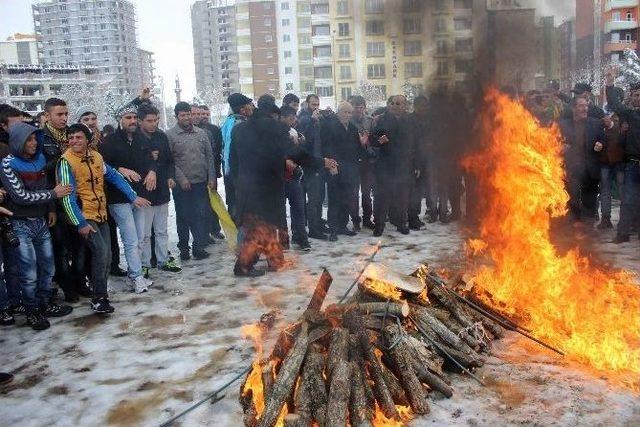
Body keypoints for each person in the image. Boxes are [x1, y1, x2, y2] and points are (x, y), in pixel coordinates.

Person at [58, 124, 150, 313]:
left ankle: (100, 294)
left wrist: (133, 196)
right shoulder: (66, 162)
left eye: (78, 137)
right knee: (99, 252)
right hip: (84, 216)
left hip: (101, 213)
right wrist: (79, 222)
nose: (74, 141)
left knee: (106, 255)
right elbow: (67, 197)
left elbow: (114, 176)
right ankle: (99, 297)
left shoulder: (96, 157)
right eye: (71, 137)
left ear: (87, 139)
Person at [0, 122, 74, 330]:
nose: (33, 143)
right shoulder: (7, 164)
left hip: (41, 221)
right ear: (17, 142)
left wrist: (51, 208)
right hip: (19, 223)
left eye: (35, 138)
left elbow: (48, 185)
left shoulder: (40, 159)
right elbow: (20, 196)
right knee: (28, 271)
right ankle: (32, 311)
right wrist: (53, 195)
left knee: (48, 267)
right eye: (28, 139)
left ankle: (45, 303)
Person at [99, 104, 155, 293]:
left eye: (134, 117)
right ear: (119, 120)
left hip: (140, 196)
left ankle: (134, 275)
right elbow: (104, 166)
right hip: (119, 198)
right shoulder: (109, 141)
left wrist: (152, 171)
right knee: (130, 239)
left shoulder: (142, 139)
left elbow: (150, 160)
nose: (132, 121)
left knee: (140, 238)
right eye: (128, 118)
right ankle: (137, 277)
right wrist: (120, 169)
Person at [231, 98, 289, 277]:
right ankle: (242, 266)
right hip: (258, 189)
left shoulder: (242, 131)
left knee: (268, 226)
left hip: (255, 186)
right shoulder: (249, 132)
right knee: (258, 229)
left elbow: (233, 162)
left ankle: (275, 259)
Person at [37, 97, 87, 302]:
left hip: (76, 199)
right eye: (59, 114)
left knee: (80, 244)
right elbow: (40, 174)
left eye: (66, 114)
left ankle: (80, 281)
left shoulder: (71, 135)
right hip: (54, 203)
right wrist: (49, 206)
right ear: (47, 116)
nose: (64, 118)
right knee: (60, 246)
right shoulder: (41, 139)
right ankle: (67, 286)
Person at [166, 102, 216, 261]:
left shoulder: (201, 133)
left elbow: (209, 156)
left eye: (188, 114)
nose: (187, 118)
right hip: (182, 185)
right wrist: (181, 179)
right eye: (183, 115)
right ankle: (184, 249)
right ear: (177, 117)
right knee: (183, 217)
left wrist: (212, 177)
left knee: (200, 215)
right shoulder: (170, 135)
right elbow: (170, 161)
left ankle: (198, 247)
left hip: (201, 182)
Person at [136, 103, 182, 274]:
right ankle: (145, 264)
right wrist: (150, 158)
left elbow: (169, 160)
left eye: (156, 120)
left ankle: (163, 260)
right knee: (145, 233)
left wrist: (170, 176)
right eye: (149, 121)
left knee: (162, 230)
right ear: (140, 121)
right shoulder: (135, 139)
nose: (153, 124)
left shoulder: (161, 137)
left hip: (162, 190)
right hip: (143, 192)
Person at [371, 95, 417, 236]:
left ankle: (401, 223)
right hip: (386, 166)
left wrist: (417, 164)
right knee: (382, 197)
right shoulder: (381, 120)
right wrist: (379, 141)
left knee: (402, 197)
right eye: (393, 103)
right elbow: (372, 140)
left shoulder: (410, 121)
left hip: (404, 165)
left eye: (398, 103)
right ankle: (379, 225)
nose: (395, 105)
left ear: (405, 106)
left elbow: (416, 145)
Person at [320, 102, 365, 241]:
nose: (347, 115)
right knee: (334, 199)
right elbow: (325, 147)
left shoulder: (352, 127)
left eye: (349, 113)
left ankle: (342, 226)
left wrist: (365, 150)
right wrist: (331, 165)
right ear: (338, 112)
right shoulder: (329, 126)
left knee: (347, 199)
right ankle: (333, 229)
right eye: (344, 112)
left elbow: (357, 147)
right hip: (336, 168)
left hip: (351, 169)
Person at [559, 97, 606, 224]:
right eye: (581, 106)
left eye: (586, 105)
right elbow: (554, 140)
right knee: (572, 197)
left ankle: (588, 225)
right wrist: (561, 147)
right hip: (571, 167)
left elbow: (603, 139)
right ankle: (575, 224)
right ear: (573, 108)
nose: (584, 108)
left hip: (590, 168)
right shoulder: (563, 124)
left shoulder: (596, 123)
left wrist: (601, 144)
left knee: (590, 199)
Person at [605, 71, 640, 243]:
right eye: (634, 96)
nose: (637, 98)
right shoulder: (630, 115)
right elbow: (614, 104)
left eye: (639, 95)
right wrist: (610, 84)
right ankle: (623, 234)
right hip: (633, 165)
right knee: (627, 200)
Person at [280, 106, 311, 251]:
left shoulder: (294, 131)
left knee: (299, 208)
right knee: (280, 211)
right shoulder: (275, 132)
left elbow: (298, 154)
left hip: (293, 176)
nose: (294, 121)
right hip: (279, 177)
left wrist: (300, 143)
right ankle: (284, 240)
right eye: (291, 118)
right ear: (283, 117)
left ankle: (301, 238)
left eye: (294, 118)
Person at [221, 93, 254, 217]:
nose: (251, 107)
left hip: (230, 170)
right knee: (240, 208)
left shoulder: (228, 121)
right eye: (249, 105)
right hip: (240, 173)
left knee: (234, 203)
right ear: (242, 109)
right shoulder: (241, 125)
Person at [196, 104, 225, 241]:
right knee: (202, 205)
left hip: (212, 171)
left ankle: (215, 229)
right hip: (199, 173)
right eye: (201, 114)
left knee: (213, 202)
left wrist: (216, 171)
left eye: (206, 114)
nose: (204, 116)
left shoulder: (215, 129)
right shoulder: (195, 130)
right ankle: (204, 232)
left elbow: (218, 150)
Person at [349, 95, 376, 230]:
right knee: (353, 194)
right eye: (355, 107)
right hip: (353, 162)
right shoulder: (347, 121)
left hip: (367, 162)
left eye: (361, 107)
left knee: (366, 193)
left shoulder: (370, 121)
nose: (358, 110)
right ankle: (355, 220)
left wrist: (368, 147)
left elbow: (375, 139)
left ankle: (367, 219)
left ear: (364, 108)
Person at [597, 113, 625, 230]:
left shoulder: (619, 128)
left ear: (610, 118)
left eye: (606, 118)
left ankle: (625, 220)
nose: (604, 121)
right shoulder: (600, 129)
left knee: (622, 191)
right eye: (603, 119)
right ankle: (605, 219)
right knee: (605, 192)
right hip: (605, 164)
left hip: (618, 164)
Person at [408, 95, 430, 229]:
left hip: (427, 160)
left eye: (426, 105)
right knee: (414, 192)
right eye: (422, 105)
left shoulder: (429, 119)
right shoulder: (410, 120)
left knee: (420, 190)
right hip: (415, 162)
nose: (424, 108)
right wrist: (415, 164)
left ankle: (415, 216)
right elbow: (411, 143)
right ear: (415, 106)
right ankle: (412, 218)